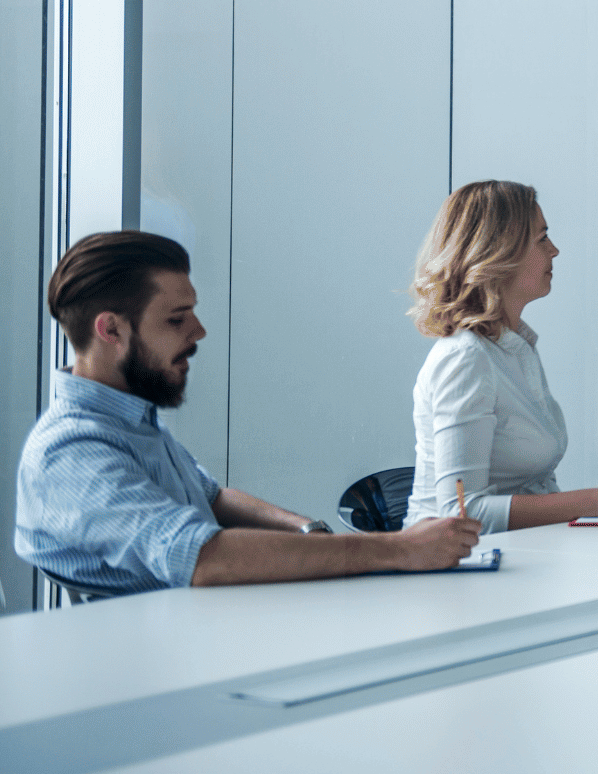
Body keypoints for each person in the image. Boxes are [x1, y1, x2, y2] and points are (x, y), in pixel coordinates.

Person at [15, 232, 480, 595]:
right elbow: (200, 555)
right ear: (110, 329)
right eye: (176, 319)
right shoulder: (71, 451)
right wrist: (396, 549)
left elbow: (213, 499)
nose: (198, 331)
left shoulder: (129, 422)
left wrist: (308, 531)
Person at [404, 181, 598, 531]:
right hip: (458, 569)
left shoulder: (516, 349)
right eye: (542, 239)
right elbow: (461, 514)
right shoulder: (465, 359)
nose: (555, 251)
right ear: (499, 252)